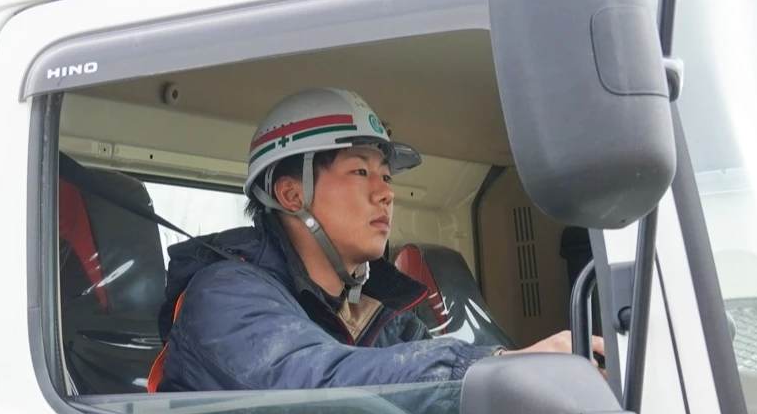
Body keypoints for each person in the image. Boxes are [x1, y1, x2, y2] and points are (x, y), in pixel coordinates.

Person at [146, 87, 604, 397]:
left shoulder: (380, 317)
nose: (385, 193)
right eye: (360, 171)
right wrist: (494, 370)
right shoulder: (225, 296)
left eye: (386, 177)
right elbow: (317, 384)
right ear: (291, 195)